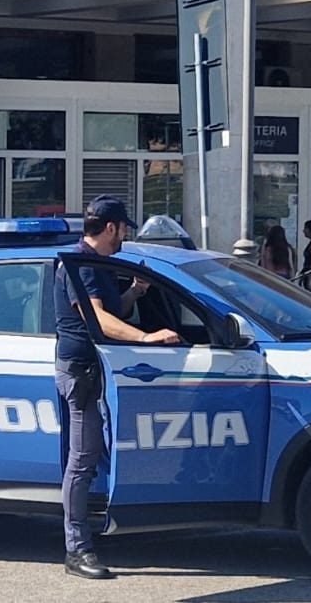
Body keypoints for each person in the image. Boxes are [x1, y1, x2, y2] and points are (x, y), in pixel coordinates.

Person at [53, 195, 180, 580]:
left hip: (100, 370)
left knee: (95, 454)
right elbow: (98, 319)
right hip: (82, 371)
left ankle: (94, 528)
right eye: (125, 226)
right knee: (83, 457)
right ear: (112, 227)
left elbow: (115, 310)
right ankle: (77, 550)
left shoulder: (100, 266)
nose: (126, 233)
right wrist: (146, 339)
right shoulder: (80, 266)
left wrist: (137, 291)